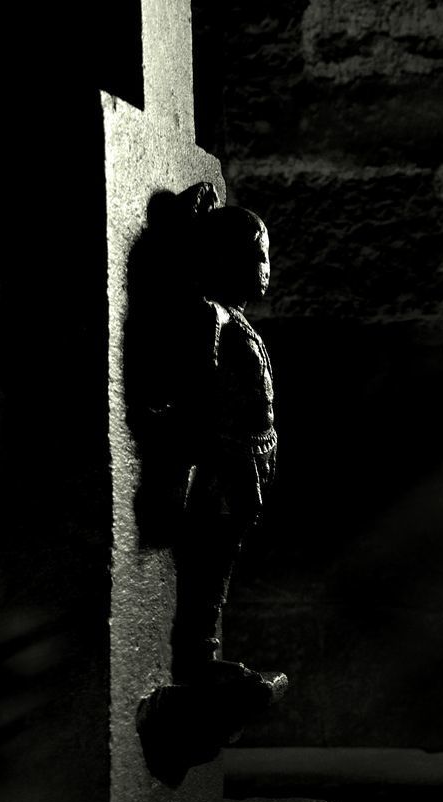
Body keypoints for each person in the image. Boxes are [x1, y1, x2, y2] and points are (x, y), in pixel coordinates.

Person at [170, 186, 278, 686]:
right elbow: (197, 380)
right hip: (224, 462)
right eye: (256, 256)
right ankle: (198, 655)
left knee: (224, 554)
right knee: (210, 558)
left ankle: (205, 650)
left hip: (248, 458)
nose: (264, 268)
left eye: (265, 257)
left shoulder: (235, 319)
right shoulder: (212, 317)